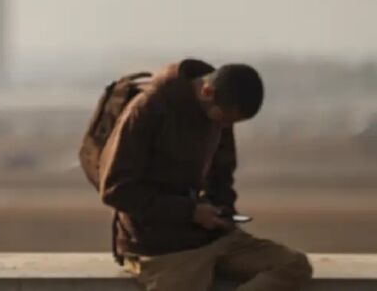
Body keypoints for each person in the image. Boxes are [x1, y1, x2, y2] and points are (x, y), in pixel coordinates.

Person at [99, 59, 312, 291]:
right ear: (207, 91)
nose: (225, 127)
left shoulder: (220, 114)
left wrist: (223, 212)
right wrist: (190, 212)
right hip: (156, 247)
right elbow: (116, 190)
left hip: (208, 237)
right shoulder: (149, 108)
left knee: (293, 266)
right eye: (224, 120)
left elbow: (221, 175)